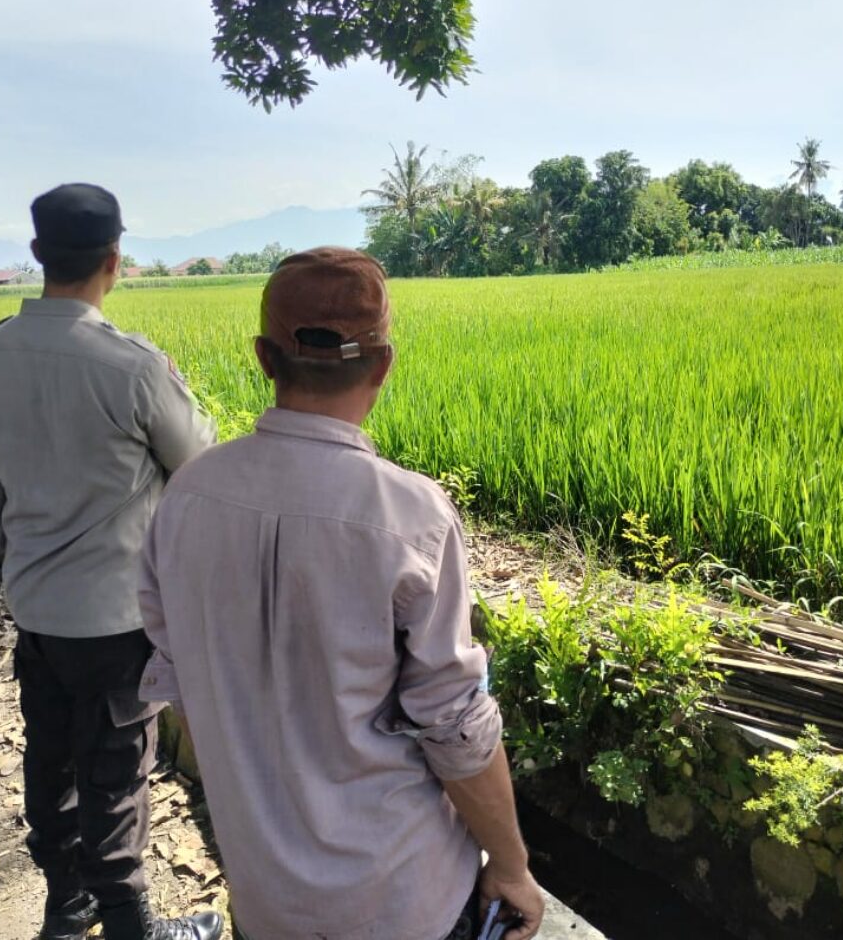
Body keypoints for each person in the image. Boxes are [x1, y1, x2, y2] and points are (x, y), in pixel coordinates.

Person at [137, 247, 545, 940]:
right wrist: (511, 867)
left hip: (266, 898)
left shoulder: (187, 497)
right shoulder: (410, 516)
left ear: (264, 357)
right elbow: (454, 723)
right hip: (402, 898)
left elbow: (180, 672)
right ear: (383, 363)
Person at [0, 184, 222, 940]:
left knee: (52, 759)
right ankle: (133, 926)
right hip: (117, 621)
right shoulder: (133, 368)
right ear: (115, 261)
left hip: (35, 610)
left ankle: (64, 915)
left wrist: (13, 569)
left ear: (37, 255)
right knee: (114, 778)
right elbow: (198, 468)